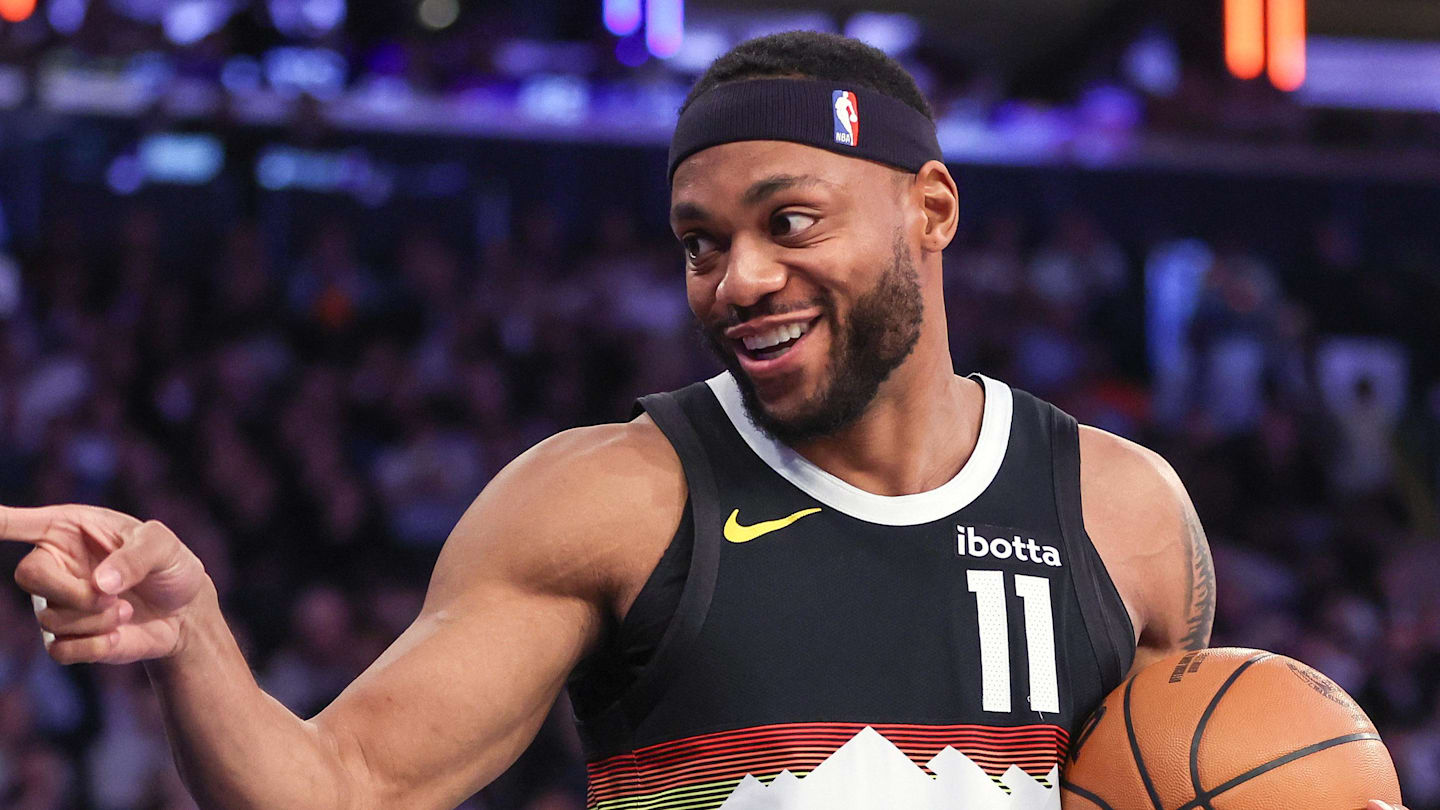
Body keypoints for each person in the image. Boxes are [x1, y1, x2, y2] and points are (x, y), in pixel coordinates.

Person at [2, 31, 1406, 810]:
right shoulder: (613, 494)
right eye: (698, 241)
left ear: (932, 212)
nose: (738, 277)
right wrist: (191, 642)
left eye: (790, 223)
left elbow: (1188, 776)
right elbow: (343, 789)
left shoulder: (1129, 513)